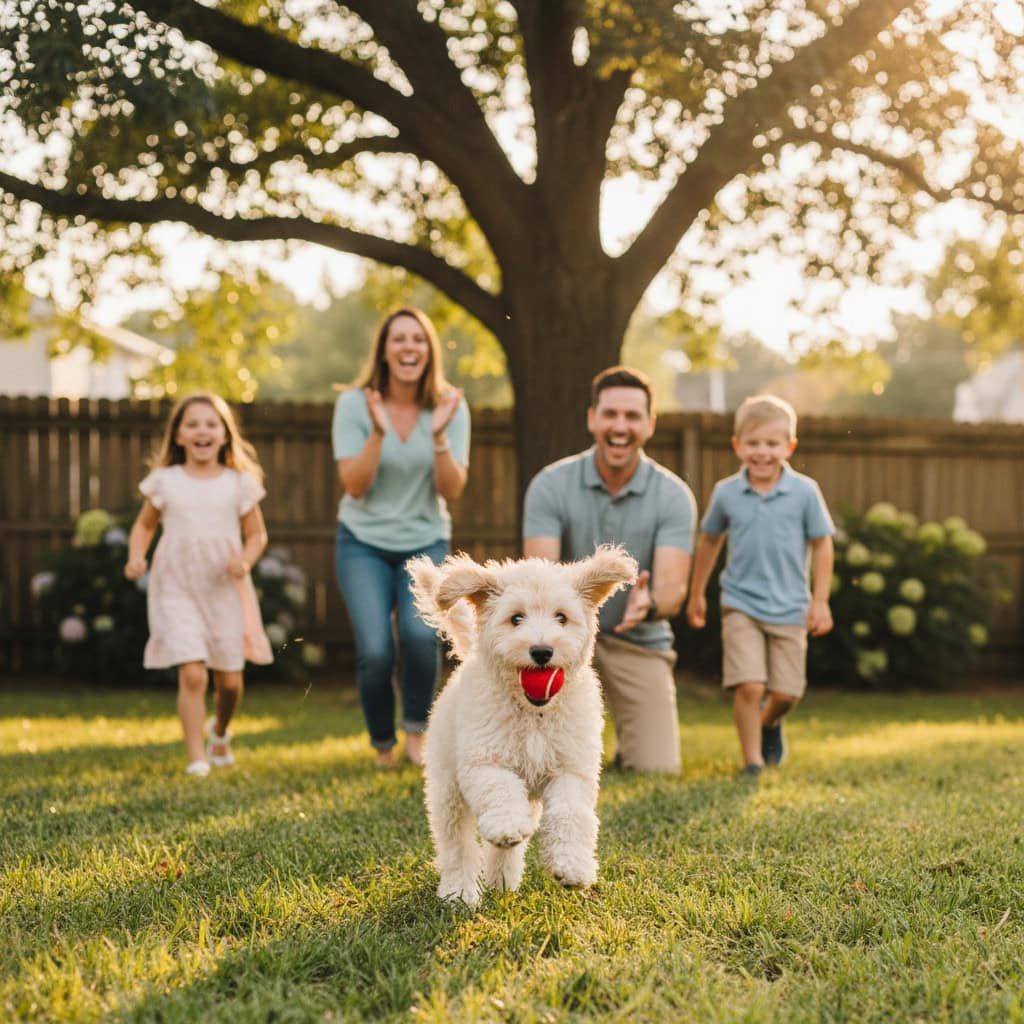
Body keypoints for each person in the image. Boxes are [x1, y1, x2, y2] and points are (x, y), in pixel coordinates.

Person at [523, 366, 697, 774]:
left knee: (658, 768)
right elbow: (539, 579)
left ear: (650, 425)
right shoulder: (550, 485)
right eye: (611, 414)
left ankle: (628, 745)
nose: (621, 426)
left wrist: (649, 604)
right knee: (536, 766)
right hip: (558, 641)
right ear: (592, 419)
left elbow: (673, 590)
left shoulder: (673, 496)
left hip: (637, 639)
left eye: (633, 416)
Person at [332, 306, 470, 768]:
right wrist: (376, 432)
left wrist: (438, 438)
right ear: (385, 351)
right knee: (375, 650)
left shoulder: (450, 405)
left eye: (418, 339)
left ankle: (416, 734)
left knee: (418, 635)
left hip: (424, 540)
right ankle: (382, 745)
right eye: (399, 339)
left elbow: (451, 489)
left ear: (428, 351)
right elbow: (354, 484)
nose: (409, 347)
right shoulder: (354, 405)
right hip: (362, 542)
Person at [124, 391, 272, 777]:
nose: (202, 431)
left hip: (224, 587)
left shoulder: (238, 483)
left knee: (230, 682)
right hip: (176, 585)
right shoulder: (165, 482)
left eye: (211, 424)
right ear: (178, 435)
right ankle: (196, 758)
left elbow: (257, 535)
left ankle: (219, 731)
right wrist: (136, 555)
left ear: (225, 435)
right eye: (192, 424)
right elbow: (144, 525)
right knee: (192, 672)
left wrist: (244, 560)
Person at [686, 394, 835, 776]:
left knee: (786, 693)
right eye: (753, 443)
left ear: (790, 446)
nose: (763, 452)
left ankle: (770, 721)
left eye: (772, 444)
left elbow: (821, 545)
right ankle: (752, 761)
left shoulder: (804, 492)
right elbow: (709, 540)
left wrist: (820, 601)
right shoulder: (727, 493)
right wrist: (698, 592)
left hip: (790, 606)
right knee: (749, 685)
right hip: (741, 603)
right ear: (737, 446)